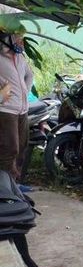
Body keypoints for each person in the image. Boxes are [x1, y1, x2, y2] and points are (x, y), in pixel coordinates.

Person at [0, 31, 34, 181]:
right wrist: (1, 97)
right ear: (6, 39)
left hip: (22, 110)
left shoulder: (20, 57)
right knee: (9, 149)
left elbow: (30, 75)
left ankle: (15, 184)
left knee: (21, 148)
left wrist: (25, 91)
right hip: (6, 111)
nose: (21, 41)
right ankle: (5, 187)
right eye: (17, 37)